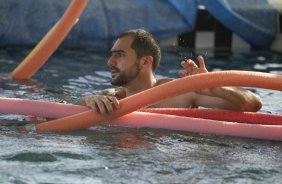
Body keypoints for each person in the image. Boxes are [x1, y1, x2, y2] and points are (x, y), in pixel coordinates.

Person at [78, 29, 262, 114]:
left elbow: (253, 105)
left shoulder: (179, 93)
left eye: (119, 55)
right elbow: (69, 113)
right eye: (112, 55)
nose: (110, 62)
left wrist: (215, 88)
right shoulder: (112, 98)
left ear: (145, 61)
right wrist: (88, 100)